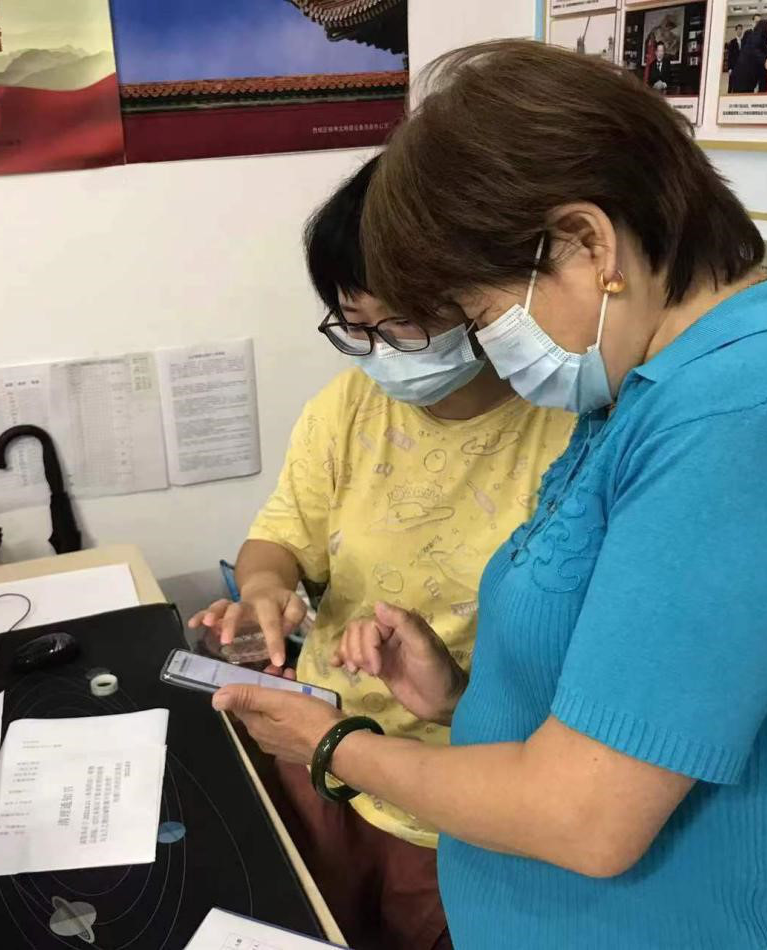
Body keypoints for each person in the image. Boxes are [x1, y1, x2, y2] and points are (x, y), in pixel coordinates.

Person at [215, 41, 767, 949]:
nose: (487, 346)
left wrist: (331, 746)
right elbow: (630, 707)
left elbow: (586, 818)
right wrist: (458, 697)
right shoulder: (644, 388)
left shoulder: (750, 421)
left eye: (482, 314)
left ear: (589, 244)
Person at [190, 156, 573, 950]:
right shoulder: (347, 408)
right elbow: (279, 537)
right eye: (352, 324)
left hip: (458, 796)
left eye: (401, 323)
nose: (377, 350)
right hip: (319, 753)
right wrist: (266, 589)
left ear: (481, 299)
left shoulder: (570, 434)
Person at [726, 24, 744, 91]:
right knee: (731, 84)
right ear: (736, 30)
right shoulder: (732, 42)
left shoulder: (743, 41)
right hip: (733, 66)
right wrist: (729, 68)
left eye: (741, 29)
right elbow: (730, 55)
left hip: (741, 66)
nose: (740, 31)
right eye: (738, 29)